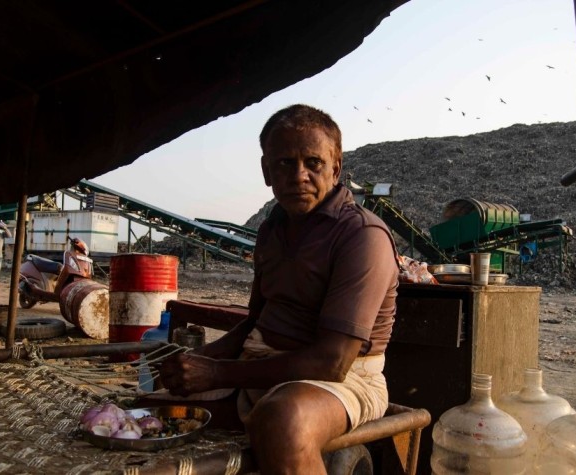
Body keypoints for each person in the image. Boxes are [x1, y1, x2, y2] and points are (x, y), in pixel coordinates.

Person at [158, 104, 400, 474]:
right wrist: (197, 362)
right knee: (151, 407)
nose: (299, 175)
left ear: (336, 168)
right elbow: (254, 322)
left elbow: (332, 362)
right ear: (266, 170)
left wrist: (218, 374)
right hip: (261, 365)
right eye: (285, 163)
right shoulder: (273, 230)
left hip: (346, 380)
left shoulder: (361, 236)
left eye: (313, 163)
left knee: (282, 421)